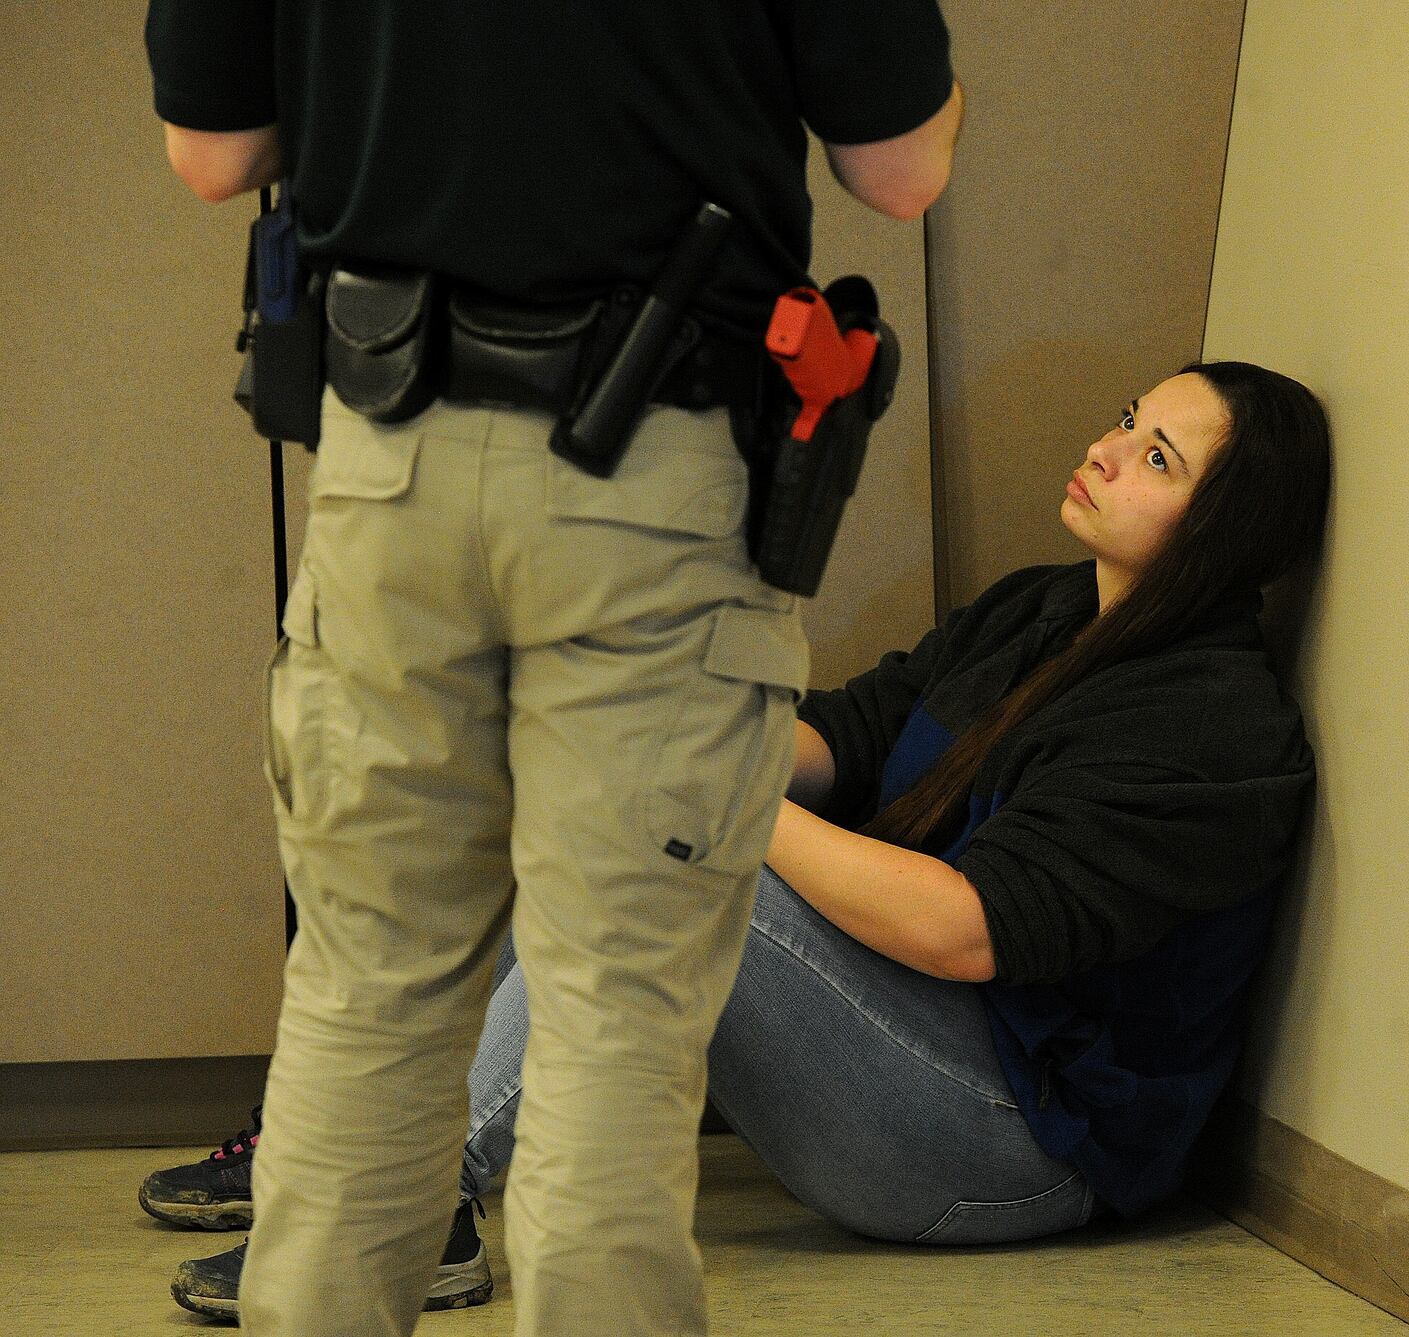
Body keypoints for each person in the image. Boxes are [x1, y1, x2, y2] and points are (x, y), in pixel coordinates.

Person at [145, 360, 1332, 1316]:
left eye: (1155, 457)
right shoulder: (1046, 605)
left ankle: (405, 1202)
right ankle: (358, 1147)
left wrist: (718, 803)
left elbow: (967, 929)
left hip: (1021, 1145)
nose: (1106, 448)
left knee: (691, 874)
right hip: (925, 1050)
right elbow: (854, 734)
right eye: (1126, 417)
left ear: (1222, 532)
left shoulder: (1211, 723)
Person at [143, 4, 963, 1334]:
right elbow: (901, 166)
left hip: (384, 469)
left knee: (367, 998)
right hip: (655, 476)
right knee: (612, 1014)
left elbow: (212, 152)